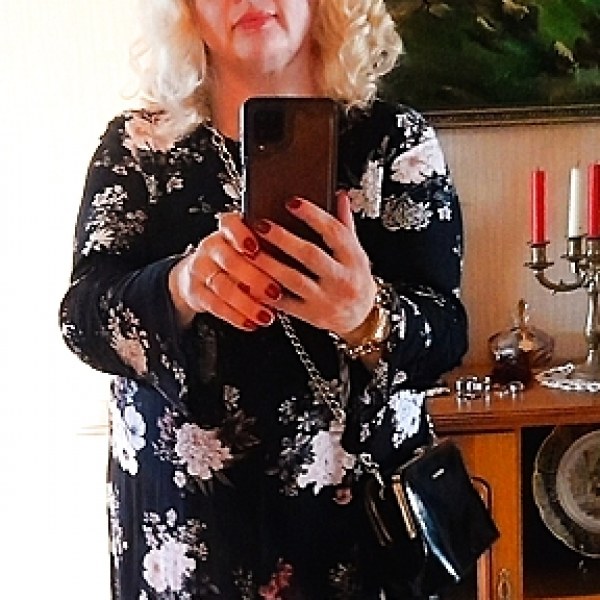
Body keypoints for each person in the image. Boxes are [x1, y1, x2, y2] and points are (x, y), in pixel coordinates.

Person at [59, 1, 468, 598]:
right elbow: (81, 319)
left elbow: (447, 333)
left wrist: (367, 316)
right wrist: (181, 287)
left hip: (362, 532)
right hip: (189, 538)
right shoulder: (139, 147)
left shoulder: (393, 141)